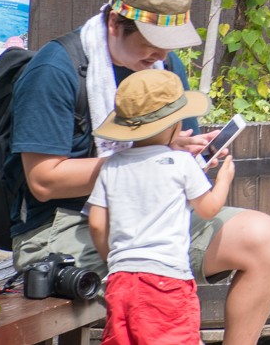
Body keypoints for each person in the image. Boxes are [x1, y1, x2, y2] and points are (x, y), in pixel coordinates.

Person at [7, 0, 270, 345]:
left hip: (157, 215)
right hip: (64, 225)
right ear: (114, 22)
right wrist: (141, 164)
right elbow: (43, 181)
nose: (162, 53)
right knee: (155, 296)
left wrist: (192, 156)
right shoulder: (56, 70)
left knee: (264, 238)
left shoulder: (164, 66)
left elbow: (176, 149)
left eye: (169, 44)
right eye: (152, 42)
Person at [87, 69, 235, 345]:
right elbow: (209, 209)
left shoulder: (113, 165)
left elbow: (96, 223)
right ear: (173, 126)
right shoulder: (181, 163)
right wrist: (224, 180)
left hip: (121, 281)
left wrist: (115, 257)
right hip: (166, 280)